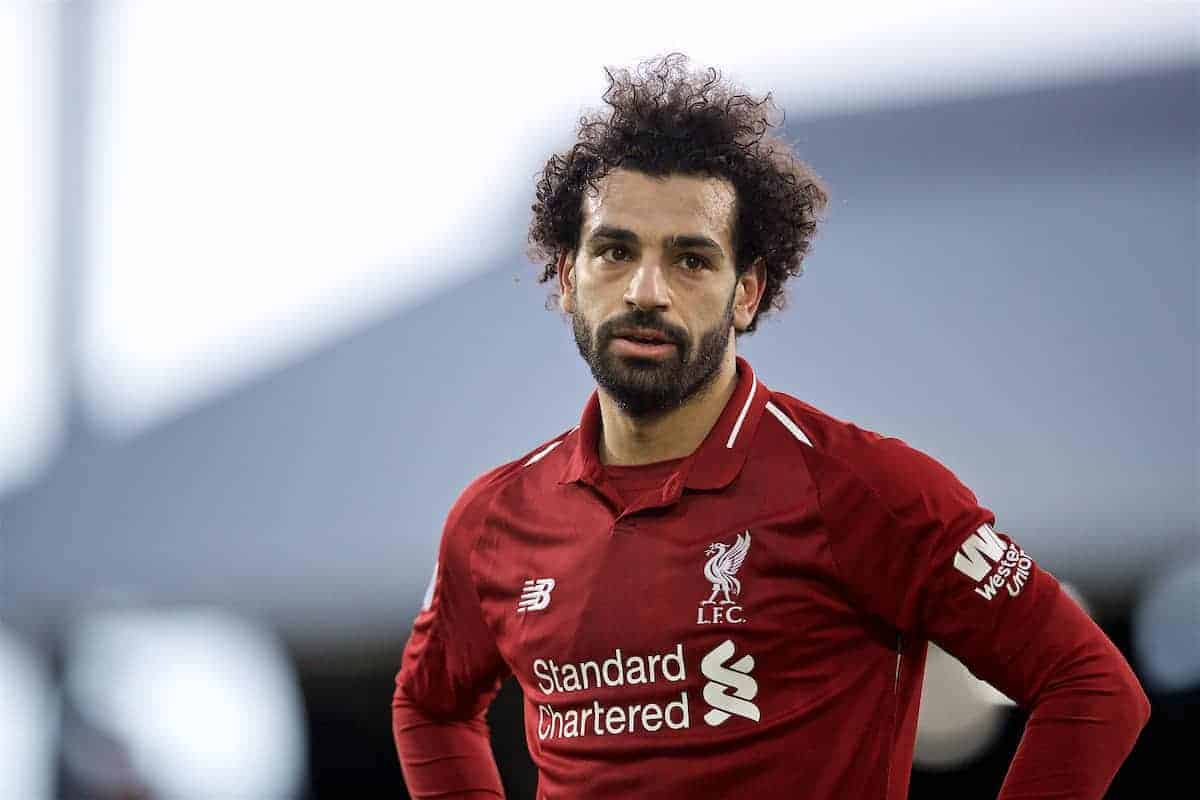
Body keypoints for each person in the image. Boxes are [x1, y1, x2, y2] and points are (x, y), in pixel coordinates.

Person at [391, 54, 1150, 799]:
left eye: (690, 260)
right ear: (567, 276)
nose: (646, 291)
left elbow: (1089, 684)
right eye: (615, 251)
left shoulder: (865, 487)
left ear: (747, 292)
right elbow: (429, 706)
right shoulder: (492, 520)